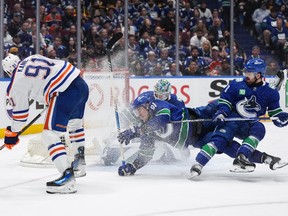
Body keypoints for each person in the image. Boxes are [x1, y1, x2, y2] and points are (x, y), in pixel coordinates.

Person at [117, 96, 287, 177]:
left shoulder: (158, 106)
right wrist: (132, 167)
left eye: (139, 110)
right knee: (225, 146)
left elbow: (162, 120)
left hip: (201, 117)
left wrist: (135, 131)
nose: (138, 114)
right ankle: (266, 158)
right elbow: (146, 154)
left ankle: (250, 105)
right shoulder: (146, 131)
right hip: (196, 140)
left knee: (225, 112)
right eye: (136, 112)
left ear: (148, 105)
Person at [2, 53, 89, 194]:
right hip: (80, 85)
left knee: (49, 134)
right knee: (75, 124)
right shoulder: (33, 58)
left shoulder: (16, 81)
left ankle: (67, 178)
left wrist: (11, 133)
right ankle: (79, 164)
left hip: (63, 93)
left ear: (8, 71)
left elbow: (20, 116)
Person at [189, 58, 288, 179]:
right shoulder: (236, 85)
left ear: (259, 75)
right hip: (231, 120)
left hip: (249, 124)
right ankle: (198, 165)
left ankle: (241, 158)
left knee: (259, 128)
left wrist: (282, 118)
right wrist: (221, 113)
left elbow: (275, 115)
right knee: (219, 140)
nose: (247, 75)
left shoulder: (270, 92)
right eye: (246, 72)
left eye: (250, 74)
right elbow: (225, 102)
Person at [101, 79, 188, 165]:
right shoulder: (146, 96)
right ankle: (112, 147)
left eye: (162, 96)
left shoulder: (177, 102)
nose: (159, 97)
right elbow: (132, 110)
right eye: (157, 94)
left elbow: (179, 120)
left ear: (168, 94)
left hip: (162, 129)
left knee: (175, 152)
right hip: (146, 125)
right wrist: (120, 121)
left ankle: (163, 152)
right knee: (129, 131)